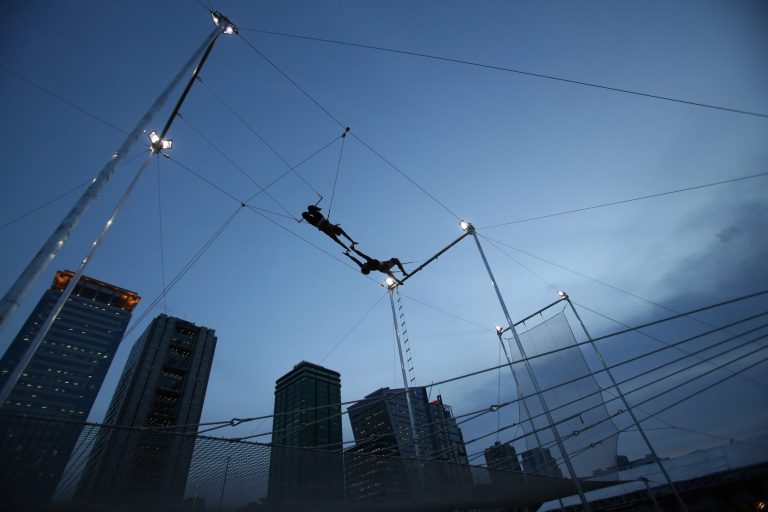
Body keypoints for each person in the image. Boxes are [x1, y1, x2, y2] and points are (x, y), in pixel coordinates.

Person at [343, 246, 408, 284]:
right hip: (383, 266)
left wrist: (349, 255)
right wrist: (354, 250)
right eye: (365, 265)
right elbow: (361, 255)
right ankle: (402, 275)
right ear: (367, 267)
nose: (364, 263)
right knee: (395, 261)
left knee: (390, 269)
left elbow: (355, 260)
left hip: (383, 267)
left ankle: (400, 276)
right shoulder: (369, 261)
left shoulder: (363, 266)